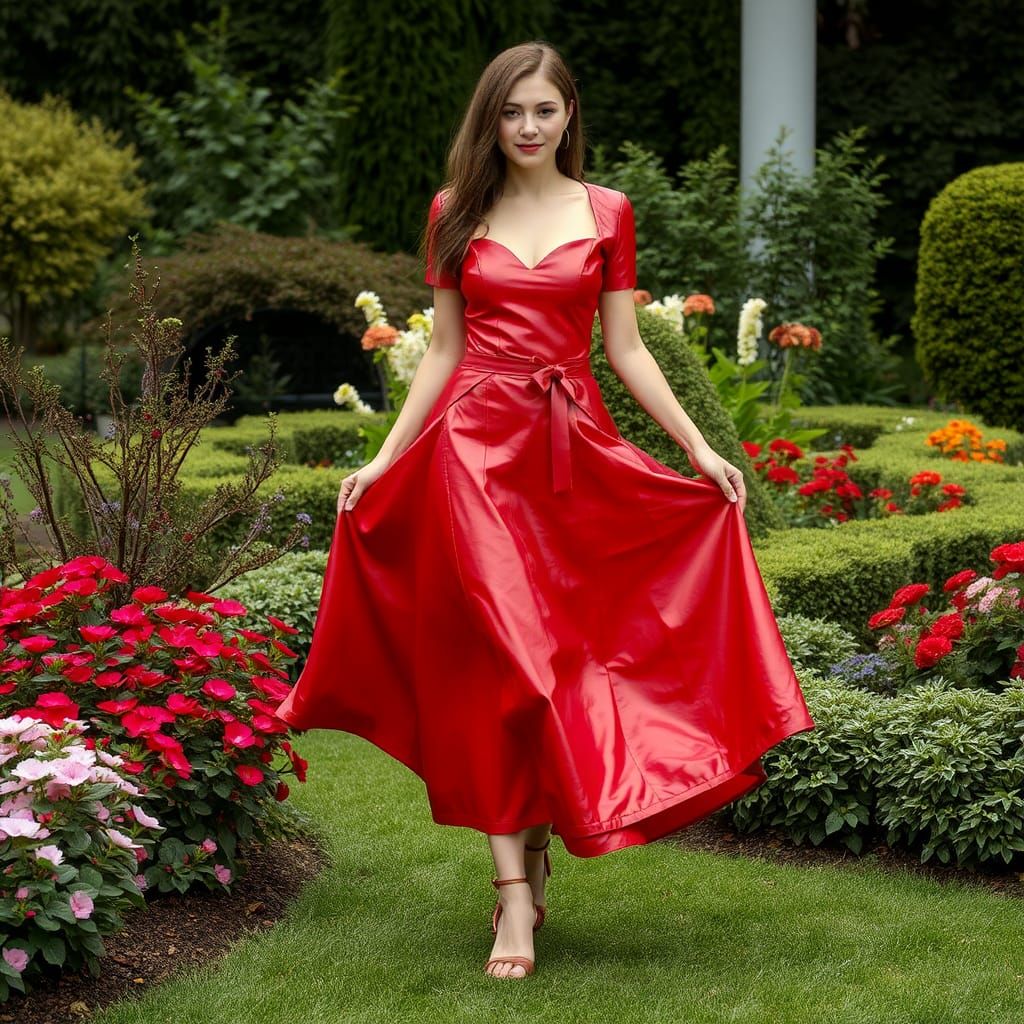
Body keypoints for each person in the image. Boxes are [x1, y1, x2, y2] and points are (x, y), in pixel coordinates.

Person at [274, 40, 815, 981]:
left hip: (574, 458)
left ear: (570, 117)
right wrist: (387, 457)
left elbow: (625, 348)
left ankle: (531, 845)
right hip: (475, 456)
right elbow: (444, 350)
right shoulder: (453, 211)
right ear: (490, 120)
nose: (528, 127)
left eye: (544, 110)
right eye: (511, 111)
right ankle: (513, 895)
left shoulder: (608, 211)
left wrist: (696, 446)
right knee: (508, 662)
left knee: (560, 662)